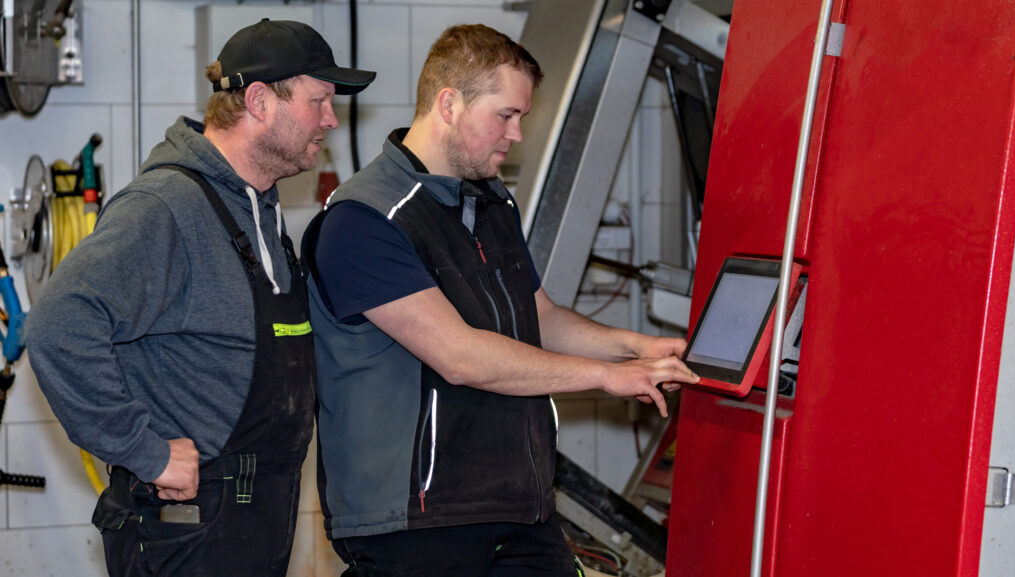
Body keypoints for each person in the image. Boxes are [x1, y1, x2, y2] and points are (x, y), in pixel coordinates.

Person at [302, 24, 698, 576]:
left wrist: (639, 348)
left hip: (517, 504)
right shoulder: (363, 221)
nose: (515, 135)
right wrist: (606, 377)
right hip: (421, 520)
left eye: (522, 119)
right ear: (449, 104)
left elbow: (542, 317)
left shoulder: (490, 201)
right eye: (505, 116)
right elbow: (460, 357)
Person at [25, 19, 375, 577]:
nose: (331, 120)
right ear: (260, 100)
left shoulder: (260, 207)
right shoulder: (166, 208)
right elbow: (57, 326)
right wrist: (147, 452)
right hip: (186, 534)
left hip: (255, 523)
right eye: (319, 101)